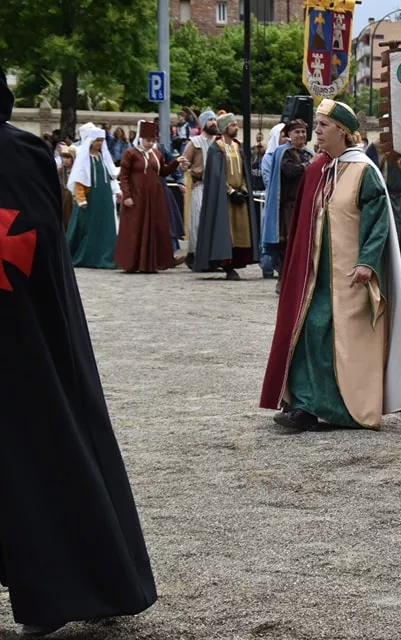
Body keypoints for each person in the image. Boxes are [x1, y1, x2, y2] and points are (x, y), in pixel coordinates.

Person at [0, 62, 156, 638]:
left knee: (40, 454)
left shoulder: (20, 155)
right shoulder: (24, 154)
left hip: (21, 340)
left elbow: (35, 248)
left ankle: (64, 589)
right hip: (23, 339)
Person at [261, 98, 401, 431]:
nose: (315, 131)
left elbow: (377, 222)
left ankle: (342, 409)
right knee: (309, 335)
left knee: (341, 344)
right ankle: (305, 406)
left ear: (343, 132)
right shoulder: (319, 168)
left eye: (322, 126)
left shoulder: (364, 171)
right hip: (315, 276)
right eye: (316, 125)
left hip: (351, 277)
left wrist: (367, 262)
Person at [191, 112, 260, 280]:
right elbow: (216, 176)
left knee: (241, 231)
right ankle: (226, 264)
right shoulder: (217, 148)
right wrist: (230, 191)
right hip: (224, 198)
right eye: (232, 125)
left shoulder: (238, 146)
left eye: (236, 124)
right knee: (225, 231)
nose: (236, 127)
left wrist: (243, 188)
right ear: (224, 128)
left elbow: (243, 172)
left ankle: (237, 260)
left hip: (239, 195)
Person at [115, 120, 185, 273]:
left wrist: (175, 163)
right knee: (135, 228)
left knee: (154, 227)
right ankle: (132, 262)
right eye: (148, 140)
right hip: (137, 196)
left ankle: (151, 262)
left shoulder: (156, 154)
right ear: (141, 139)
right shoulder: (130, 153)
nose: (150, 143)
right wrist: (127, 195)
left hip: (154, 197)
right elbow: (124, 175)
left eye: (153, 140)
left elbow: (163, 172)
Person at [65, 126, 118, 269]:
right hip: (90, 198)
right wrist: (81, 198)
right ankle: (87, 257)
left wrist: (117, 190)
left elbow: (111, 175)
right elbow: (79, 179)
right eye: (97, 141)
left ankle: (106, 256)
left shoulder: (104, 157)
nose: (100, 144)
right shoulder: (84, 159)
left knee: (106, 227)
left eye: (102, 141)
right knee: (87, 228)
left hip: (104, 198)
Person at [273, 119, 314, 289]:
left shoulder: (309, 153)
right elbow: (289, 171)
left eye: (303, 132)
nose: (301, 135)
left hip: (307, 203)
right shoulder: (284, 154)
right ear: (289, 135)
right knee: (288, 243)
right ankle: (283, 278)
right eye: (297, 132)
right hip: (289, 204)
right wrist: (308, 166)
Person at [180, 109, 219, 264]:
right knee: (197, 220)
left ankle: (211, 255)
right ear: (204, 123)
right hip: (199, 184)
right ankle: (195, 253)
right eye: (210, 120)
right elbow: (184, 163)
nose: (213, 123)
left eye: (215, 120)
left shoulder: (218, 142)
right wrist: (183, 165)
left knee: (214, 220)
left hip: (215, 185)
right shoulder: (194, 142)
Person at [259, 122, 289, 279]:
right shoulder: (268, 158)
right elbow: (268, 179)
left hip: (287, 202)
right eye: (283, 136)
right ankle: (267, 264)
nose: (286, 139)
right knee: (270, 231)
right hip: (273, 200)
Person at [58, 145, 76, 229]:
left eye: (68, 157)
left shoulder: (77, 171)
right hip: (64, 201)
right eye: (63, 157)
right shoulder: (60, 171)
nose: (65, 160)